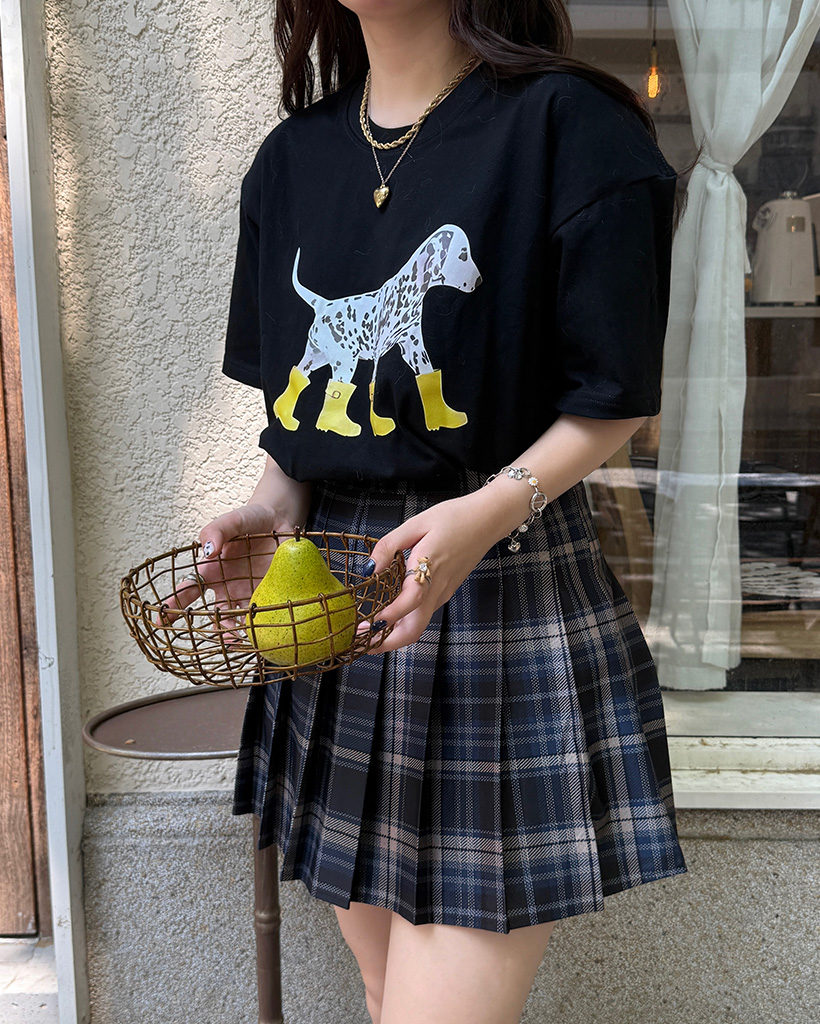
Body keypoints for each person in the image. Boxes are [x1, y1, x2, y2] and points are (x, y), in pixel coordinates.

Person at [166, 2, 696, 1021]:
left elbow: (614, 394)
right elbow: (301, 414)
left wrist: (485, 513)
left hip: (497, 590)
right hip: (336, 606)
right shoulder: (292, 159)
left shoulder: (568, 125)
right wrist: (271, 504)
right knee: (381, 988)